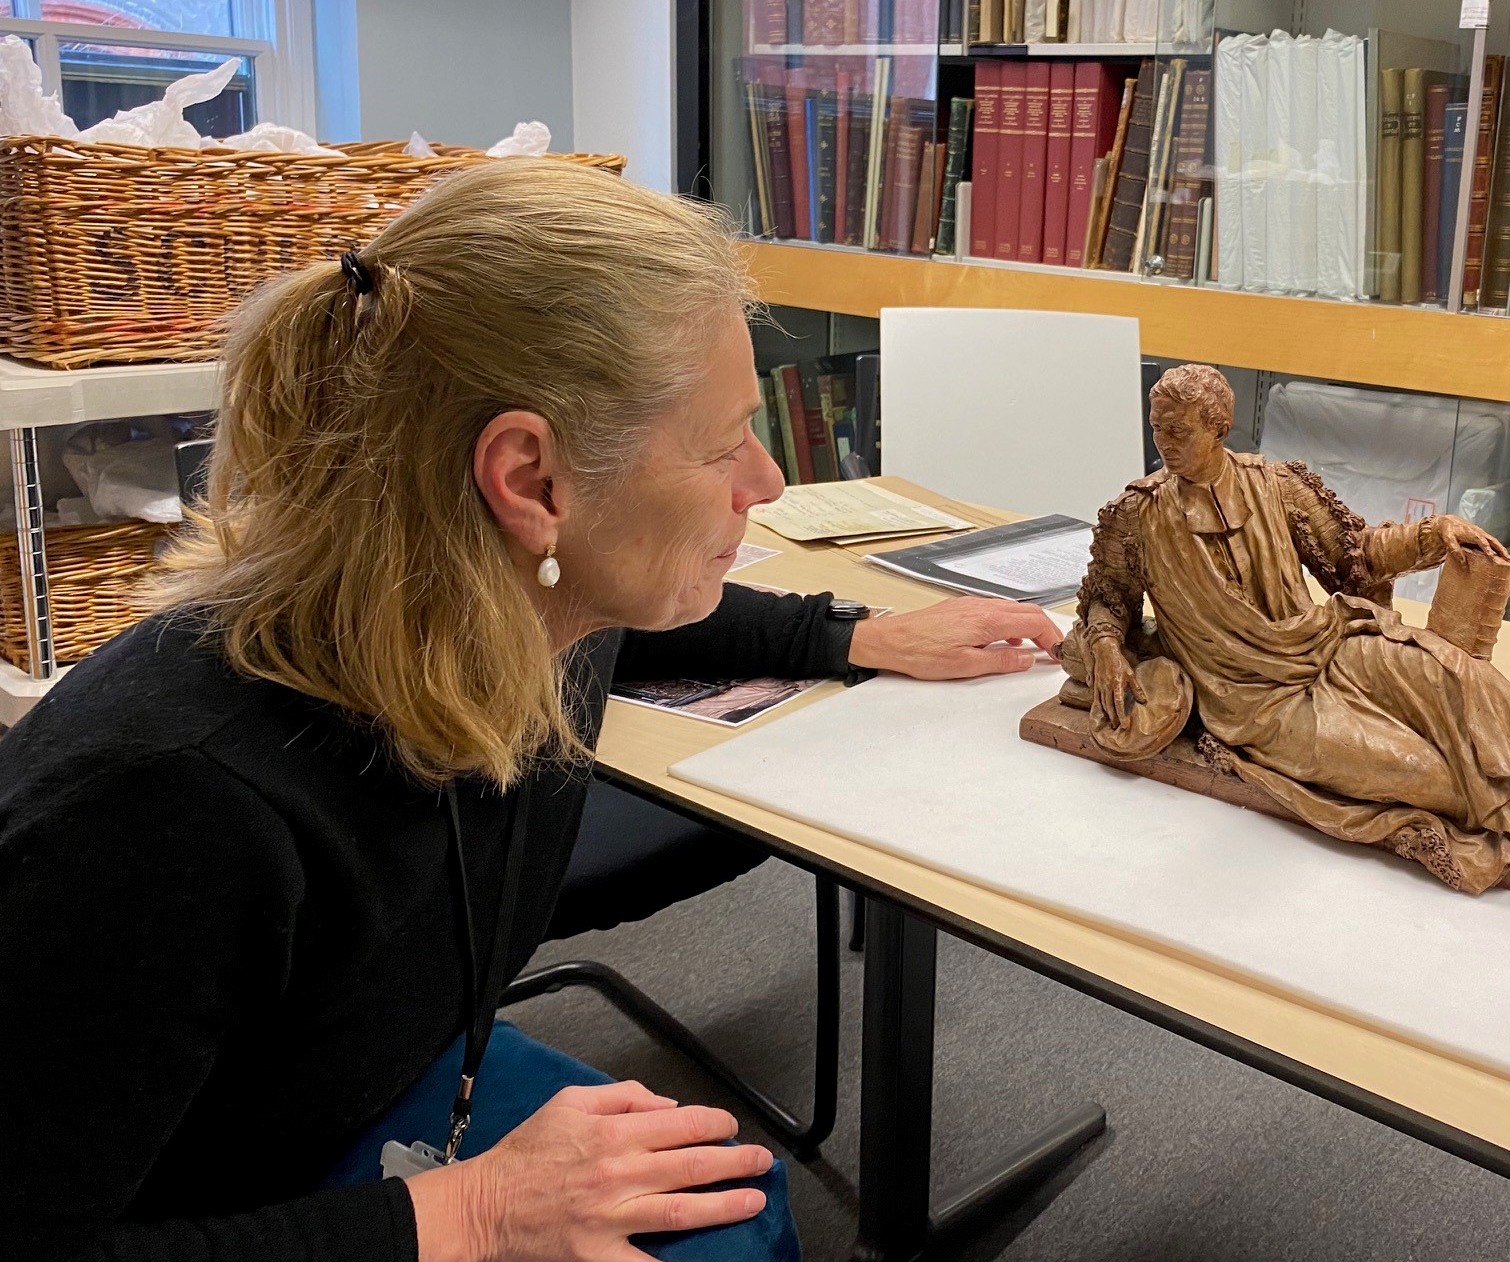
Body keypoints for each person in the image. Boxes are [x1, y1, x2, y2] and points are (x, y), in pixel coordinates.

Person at [0, 160, 1061, 1262]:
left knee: (740, 1208)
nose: (767, 480)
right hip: (216, 1195)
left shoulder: (524, 600)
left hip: (351, 1077)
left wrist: (848, 636)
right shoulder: (164, 811)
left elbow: (658, 608)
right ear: (533, 481)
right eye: (721, 443)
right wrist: (472, 1215)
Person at [1058, 363, 1510, 898]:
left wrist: (1436, 532)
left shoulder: (1275, 486)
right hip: (1254, 706)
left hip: (1330, 644)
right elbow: (1106, 602)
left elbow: (1355, 555)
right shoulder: (1137, 516)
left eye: (1180, 431)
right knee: (1433, 778)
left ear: (1219, 426)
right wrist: (1107, 649)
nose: (1166, 444)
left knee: (1480, 692)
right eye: (1159, 431)